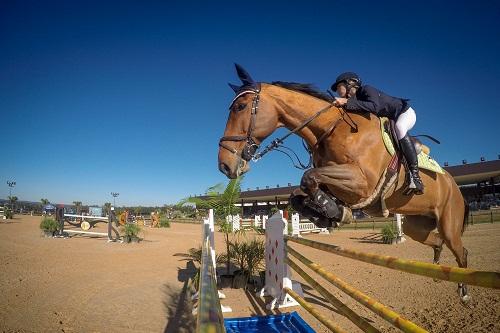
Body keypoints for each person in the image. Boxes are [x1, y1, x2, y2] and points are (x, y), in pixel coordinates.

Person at [331, 72, 424, 195]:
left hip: (404, 113)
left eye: (339, 87)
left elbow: (374, 106)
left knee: (400, 127)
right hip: (389, 120)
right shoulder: (354, 101)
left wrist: (345, 102)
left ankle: (415, 176)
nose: (337, 91)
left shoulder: (366, 89)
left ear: (350, 83)